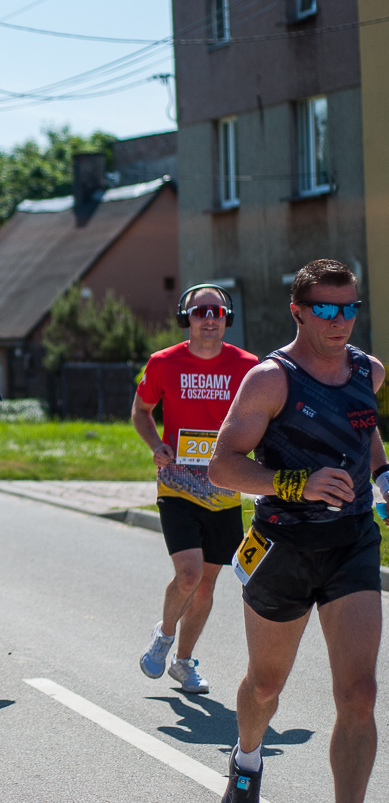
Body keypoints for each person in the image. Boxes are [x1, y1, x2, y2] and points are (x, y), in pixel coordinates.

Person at [209, 260, 384, 803]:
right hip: (284, 544)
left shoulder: (369, 372)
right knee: (265, 686)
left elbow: (365, 433)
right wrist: (297, 484)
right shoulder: (270, 379)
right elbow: (222, 467)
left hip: (352, 543)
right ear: (298, 312)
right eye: (326, 309)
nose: (340, 320)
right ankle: (247, 758)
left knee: (359, 694)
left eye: (350, 308)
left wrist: (383, 476)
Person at [133, 285, 258, 695]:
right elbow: (141, 411)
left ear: (227, 318)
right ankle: (165, 635)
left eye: (216, 311)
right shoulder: (163, 362)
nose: (209, 318)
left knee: (206, 584)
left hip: (224, 488)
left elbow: (265, 416)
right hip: (177, 485)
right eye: (200, 311)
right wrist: (156, 445)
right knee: (188, 574)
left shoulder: (248, 366)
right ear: (185, 317)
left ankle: (183, 663)